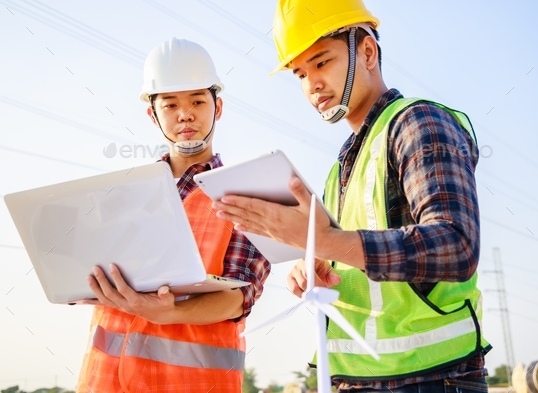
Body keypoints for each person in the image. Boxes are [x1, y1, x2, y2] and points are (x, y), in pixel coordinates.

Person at [212, 1, 491, 392]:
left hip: (430, 378)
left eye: (322, 62)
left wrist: (327, 241)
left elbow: (456, 245)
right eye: (300, 74)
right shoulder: (338, 169)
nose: (312, 85)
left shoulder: (418, 122)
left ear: (368, 52)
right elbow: (352, 258)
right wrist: (317, 269)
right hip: (354, 379)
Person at [75, 38, 271, 392]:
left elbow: (241, 296)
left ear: (218, 107)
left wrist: (172, 313)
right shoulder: (123, 194)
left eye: (198, 101)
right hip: (105, 382)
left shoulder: (245, 194)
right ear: (153, 115)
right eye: (171, 104)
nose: (186, 114)